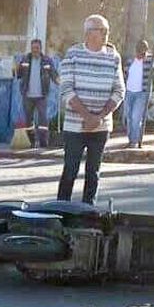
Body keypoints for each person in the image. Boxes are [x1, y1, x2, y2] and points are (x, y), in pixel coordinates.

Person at [58, 15, 125, 205]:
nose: (106, 34)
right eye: (101, 30)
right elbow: (66, 89)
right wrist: (87, 116)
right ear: (88, 33)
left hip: (101, 126)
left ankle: (89, 211)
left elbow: (119, 90)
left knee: (93, 172)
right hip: (75, 126)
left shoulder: (113, 57)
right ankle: (61, 209)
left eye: (107, 30)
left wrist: (100, 116)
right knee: (70, 169)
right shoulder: (73, 54)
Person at [17, 39, 59, 147]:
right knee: (28, 121)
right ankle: (31, 142)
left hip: (42, 95)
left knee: (43, 120)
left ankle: (43, 143)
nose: (35, 50)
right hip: (27, 95)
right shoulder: (25, 59)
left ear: (41, 48)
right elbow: (19, 75)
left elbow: (53, 74)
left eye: (37, 48)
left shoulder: (46, 60)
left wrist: (59, 81)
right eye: (33, 48)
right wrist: (16, 69)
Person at [122, 40, 154, 148]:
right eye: (140, 52)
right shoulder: (130, 61)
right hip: (129, 92)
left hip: (142, 93)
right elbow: (124, 74)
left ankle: (134, 141)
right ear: (136, 51)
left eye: (144, 52)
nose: (142, 55)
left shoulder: (150, 60)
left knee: (136, 117)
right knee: (129, 117)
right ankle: (131, 139)